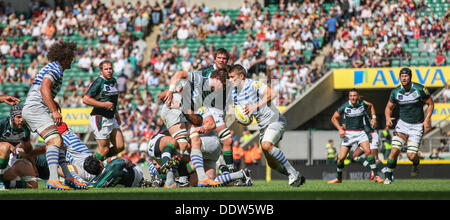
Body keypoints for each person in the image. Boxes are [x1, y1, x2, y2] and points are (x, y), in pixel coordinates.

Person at [22, 41, 86, 190]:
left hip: (36, 107)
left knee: (60, 143)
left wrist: (52, 102)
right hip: (35, 108)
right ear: (65, 58)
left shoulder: (53, 68)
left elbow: (39, 86)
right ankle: (53, 179)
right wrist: (54, 110)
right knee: (55, 140)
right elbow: (44, 87)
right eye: (71, 58)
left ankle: (69, 178)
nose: (72, 60)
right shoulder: (56, 69)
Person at [229, 64, 305, 187]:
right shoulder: (235, 94)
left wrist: (254, 106)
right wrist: (242, 119)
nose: (230, 80)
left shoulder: (253, 84)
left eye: (232, 77)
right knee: (271, 163)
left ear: (241, 76)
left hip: (275, 120)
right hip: (263, 127)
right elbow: (246, 117)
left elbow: (272, 93)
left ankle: (293, 173)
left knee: (266, 145)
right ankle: (296, 176)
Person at [384, 67, 434, 184]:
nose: (404, 78)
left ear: (410, 77)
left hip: (417, 125)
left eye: (406, 76)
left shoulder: (419, 89)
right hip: (402, 124)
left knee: (411, 156)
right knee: (394, 150)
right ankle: (388, 176)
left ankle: (416, 164)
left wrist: (427, 120)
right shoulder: (395, 91)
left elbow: (430, 104)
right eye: (402, 76)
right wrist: (387, 118)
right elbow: (388, 107)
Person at [328, 89, 378, 184]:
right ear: (349, 97)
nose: (353, 98)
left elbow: (371, 106)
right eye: (351, 96)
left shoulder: (362, 103)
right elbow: (333, 118)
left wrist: (374, 118)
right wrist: (340, 129)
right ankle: (339, 178)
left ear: (358, 96)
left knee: (368, 152)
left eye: (354, 95)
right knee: (341, 158)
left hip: (361, 133)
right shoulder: (345, 106)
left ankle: (376, 176)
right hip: (349, 134)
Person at [83, 60, 124, 162]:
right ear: (101, 71)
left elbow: (112, 100)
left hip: (111, 117)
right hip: (99, 117)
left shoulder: (113, 81)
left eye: (110, 68)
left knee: (120, 146)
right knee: (104, 149)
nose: (109, 71)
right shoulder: (98, 82)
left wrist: (117, 114)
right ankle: (91, 168)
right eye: (106, 69)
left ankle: (100, 161)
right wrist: (104, 104)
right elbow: (86, 99)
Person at [0, 105, 33, 190]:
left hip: (11, 157)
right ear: (12, 117)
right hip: (2, 153)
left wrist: (23, 149)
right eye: (18, 117)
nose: (21, 120)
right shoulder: (2, 123)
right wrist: (7, 144)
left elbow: (28, 149)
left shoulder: (25, 129)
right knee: (5, 147)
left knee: (33, 185)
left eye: (23, 117)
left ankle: (6, 183)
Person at [351, 105, 385, 183]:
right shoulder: (356, 113)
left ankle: (388, 175)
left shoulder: (360, 112)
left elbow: (371, 105)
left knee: (375, 159)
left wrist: (374, 117)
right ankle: (372, 169)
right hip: (364, 138)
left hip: (371, 136)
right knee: (355, 156)